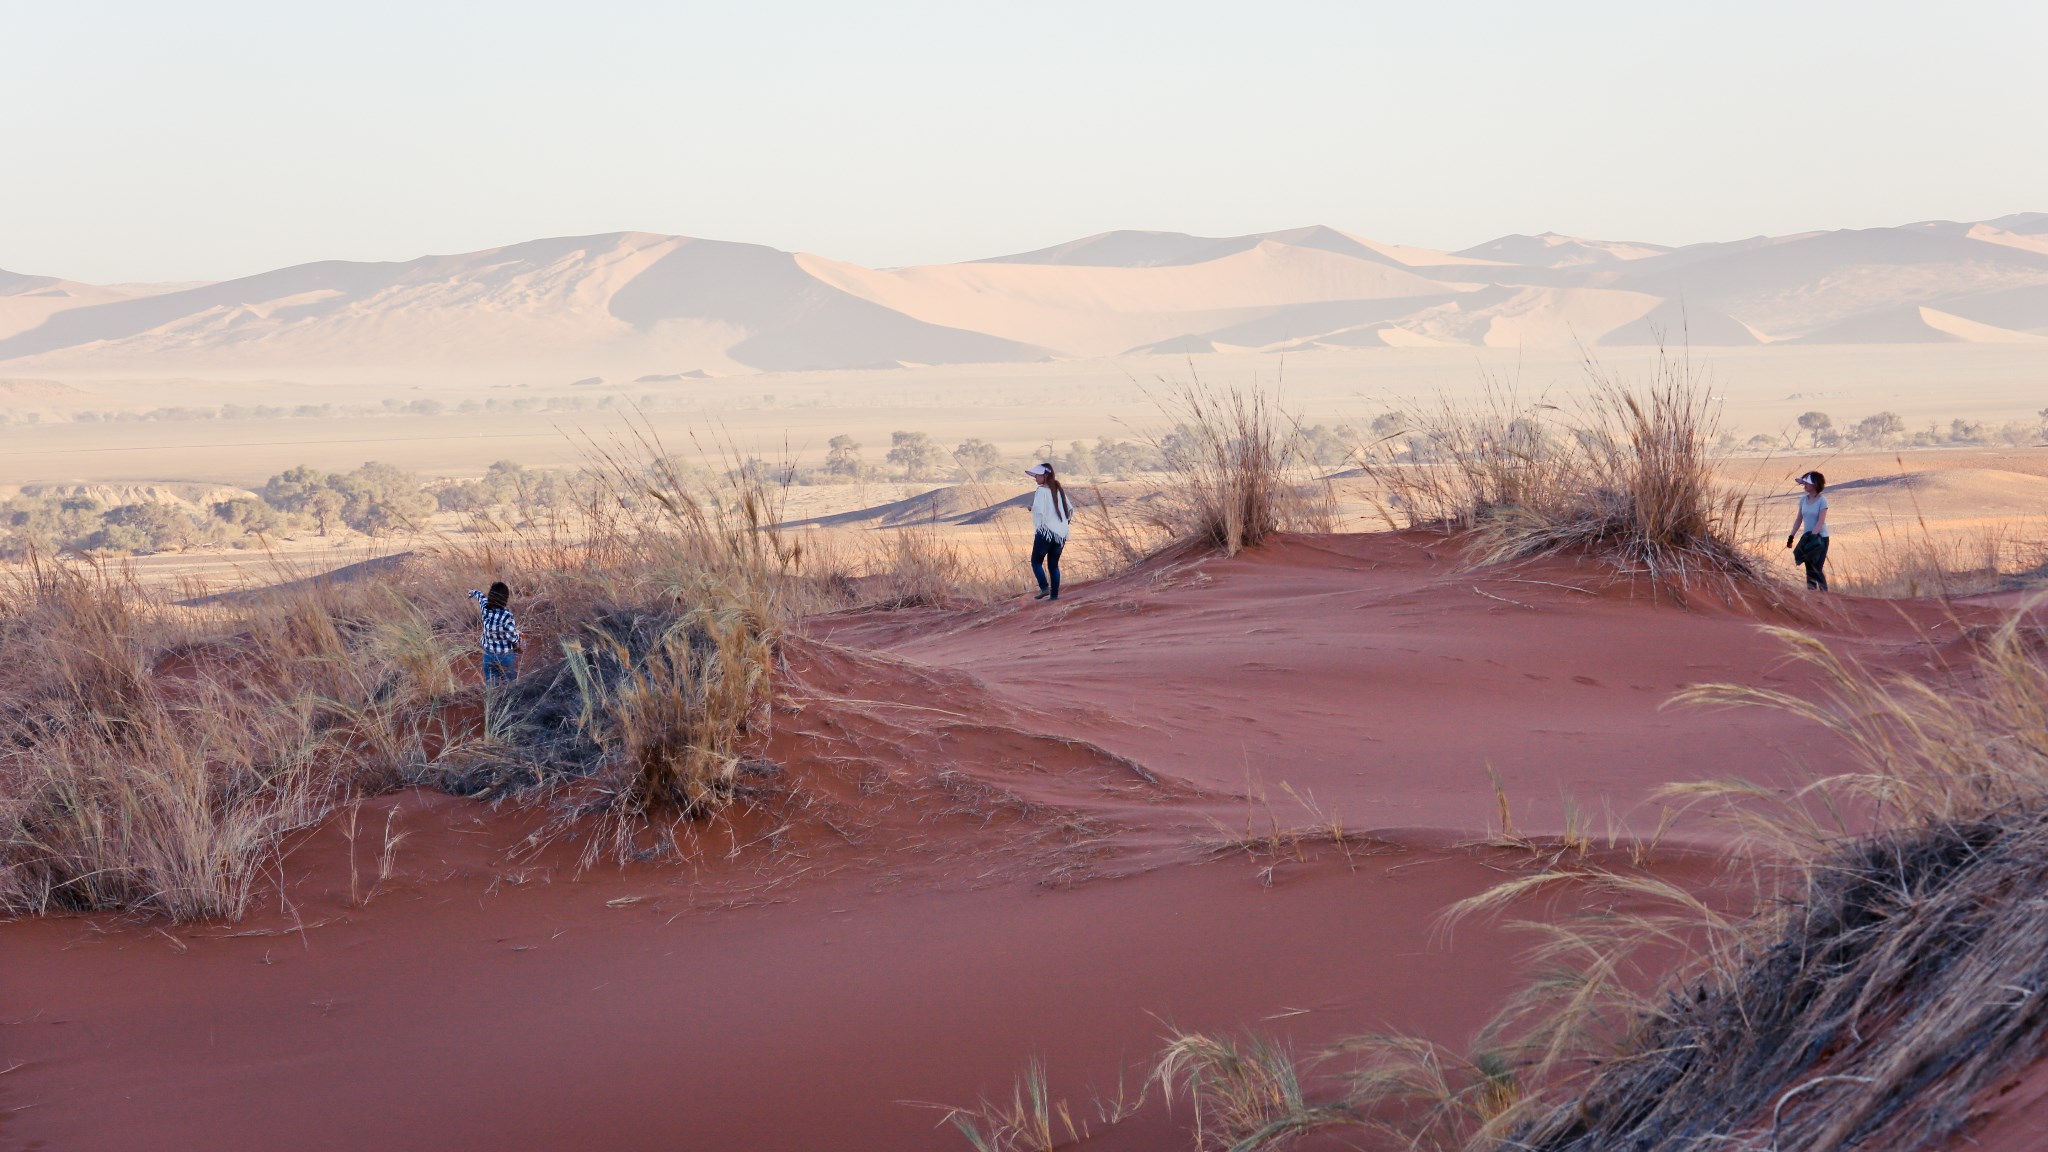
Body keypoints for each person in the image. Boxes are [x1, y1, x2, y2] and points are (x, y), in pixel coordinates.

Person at [1025, 462, 1074, 601]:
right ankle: (1054, 596)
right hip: (1061, 534)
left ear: (1045, 475)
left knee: (1036, 562)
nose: (1035, 478)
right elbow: (1069, 510)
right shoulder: (1059, 490)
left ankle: (1044, 587)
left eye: (1037, 475)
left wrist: (1031, 508)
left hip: (1045, 532)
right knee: (1053, 565)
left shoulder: (1041, 491)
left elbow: (1039, 511)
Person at [468, 581, 523, 683]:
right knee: (509, 685)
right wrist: (518, 643)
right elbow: (511, 637)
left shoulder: (485, 608)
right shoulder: (506, 615)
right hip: (505, 656)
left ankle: (493, 698)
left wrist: (471, 593)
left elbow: (479, 595)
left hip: (488, 654)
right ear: (504, 599)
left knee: (491, 684)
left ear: (490, 596)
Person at [1786, 470, 1830, 591]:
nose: (1804, 486)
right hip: (1808, 538)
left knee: (1817, 568)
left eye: (1807, 483)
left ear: (1815, 484)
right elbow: (1799, 519)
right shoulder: (1803, 500)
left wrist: (1813, 536)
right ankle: (1812, 596)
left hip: (1821, 538)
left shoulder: (1822, 500)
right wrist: (1791, 536)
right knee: (1809, 569)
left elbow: (1820, 521)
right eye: (1804, 483)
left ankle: (1825, 596)